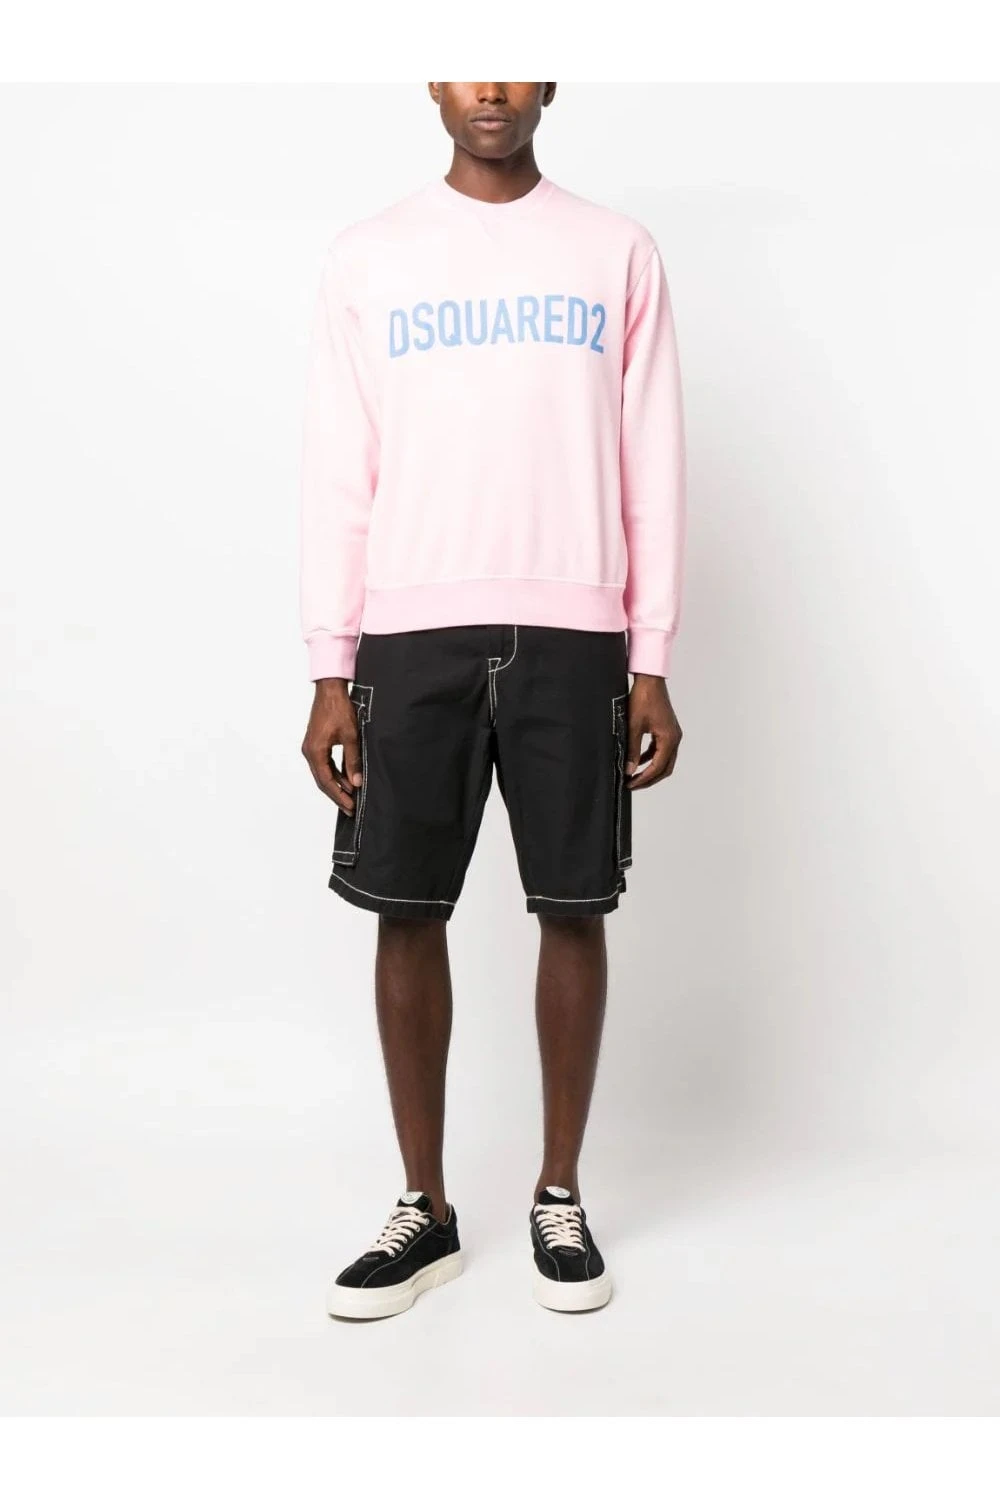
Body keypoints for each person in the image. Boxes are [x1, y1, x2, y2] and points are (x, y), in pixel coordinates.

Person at [300, 82, 686, 1318]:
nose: (492, 88)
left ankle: (558, 1194)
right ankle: (425, 1209)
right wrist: (329, 664)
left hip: (577, 630)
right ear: (432, 81)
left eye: (517, 63)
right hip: (410, 630)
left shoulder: (614, 249)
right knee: (403, 908)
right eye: (468, 62)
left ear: (549, 83)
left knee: (573, 907)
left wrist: (650, 654)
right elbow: (339, 468)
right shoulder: (368, 256)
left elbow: (650, 458)